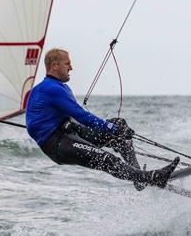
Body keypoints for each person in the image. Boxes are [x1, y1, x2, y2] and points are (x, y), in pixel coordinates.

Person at [26, 48, 179, 190]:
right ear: (55, 65)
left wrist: (115, 129)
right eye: (67, 64)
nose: (71, 68)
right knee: (106, 158)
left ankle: (139, 177)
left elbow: (70, 117)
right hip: (57, 144)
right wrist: (111, 128)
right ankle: (151, 178)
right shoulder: (50, 89)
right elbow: (82, 116)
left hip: (70, 132)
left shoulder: (59, 87)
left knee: (119, 128)